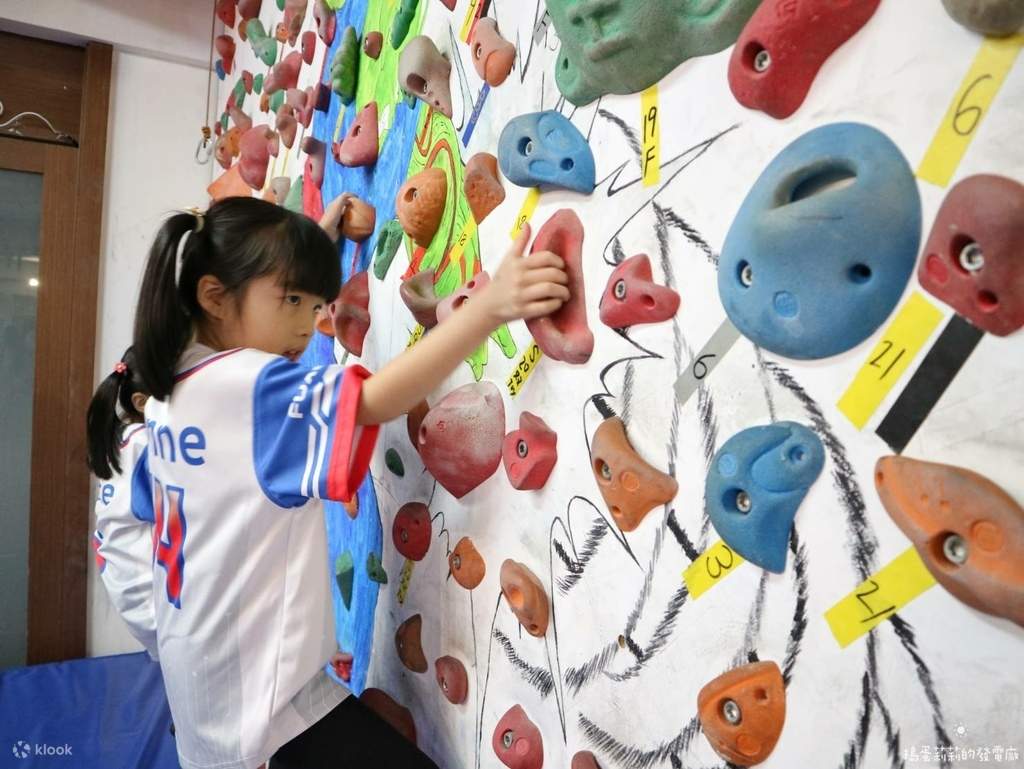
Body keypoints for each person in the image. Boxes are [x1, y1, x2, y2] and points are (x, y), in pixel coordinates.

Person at [131, 195, 569, 769]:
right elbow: (373, 399)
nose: (308, 325)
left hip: (210, 707)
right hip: (267, 722)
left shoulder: (170, 394)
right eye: (291, 299)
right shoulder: (251, 386)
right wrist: (489, 308)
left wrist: (305, 251)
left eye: (315, 303)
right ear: (214, 296)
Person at [86, 347, 159, 663]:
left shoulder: (121, 436)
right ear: (142, 402)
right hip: (149, 598)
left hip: (128, 588)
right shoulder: (145, 443)